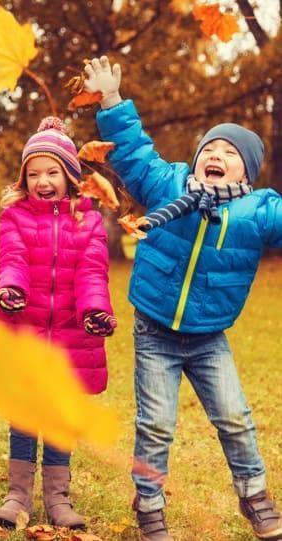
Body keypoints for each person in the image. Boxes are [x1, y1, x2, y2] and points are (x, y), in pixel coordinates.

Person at [85, 55, 282, 540]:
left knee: (235, 420)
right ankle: (149, 506)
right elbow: (132, 152)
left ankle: (255, 497)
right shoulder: (169, 185)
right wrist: (111, 99)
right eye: (210, 147)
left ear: (248, 170)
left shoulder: (258, 210)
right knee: (156, 426)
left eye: (229, 151)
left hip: (210, 337)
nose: (216, 153)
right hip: (155, 332)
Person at [0, 116, 116, 530]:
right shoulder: (15, 218)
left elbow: (93, 271)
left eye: (52, 171)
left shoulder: (89, 221)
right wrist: (11, 289)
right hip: (26, 326)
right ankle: (17, 496)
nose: (43, 180)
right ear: (25, 179)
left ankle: (58, 497)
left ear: (71, 176)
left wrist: (95, 311)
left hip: (70, 333)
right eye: (34, 173)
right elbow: (12, 259)